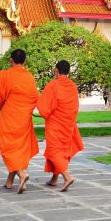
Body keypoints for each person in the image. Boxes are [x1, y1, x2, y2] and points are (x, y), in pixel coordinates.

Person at [0, 49, 38, 194]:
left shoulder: (5, 75)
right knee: (20, 148)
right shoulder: (30, 77)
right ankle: (10, 181)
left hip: (10, 116)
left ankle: (22, 174)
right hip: (24, 118)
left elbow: (0, 97)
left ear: (11, 60)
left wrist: (4, 107)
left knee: (9, 147)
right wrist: (26, 111)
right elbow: (34, 97)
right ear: (24, 61)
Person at [36, 60, 84, 191]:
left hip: (55, 124)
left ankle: (67, 177)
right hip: (68, 123)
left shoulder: (53, 85)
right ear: (69, 71)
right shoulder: (73, 86)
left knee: (53, 151)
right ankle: (54, 179)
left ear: (56, 70)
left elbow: (45, 107)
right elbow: (75, 107)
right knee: (61, 150)